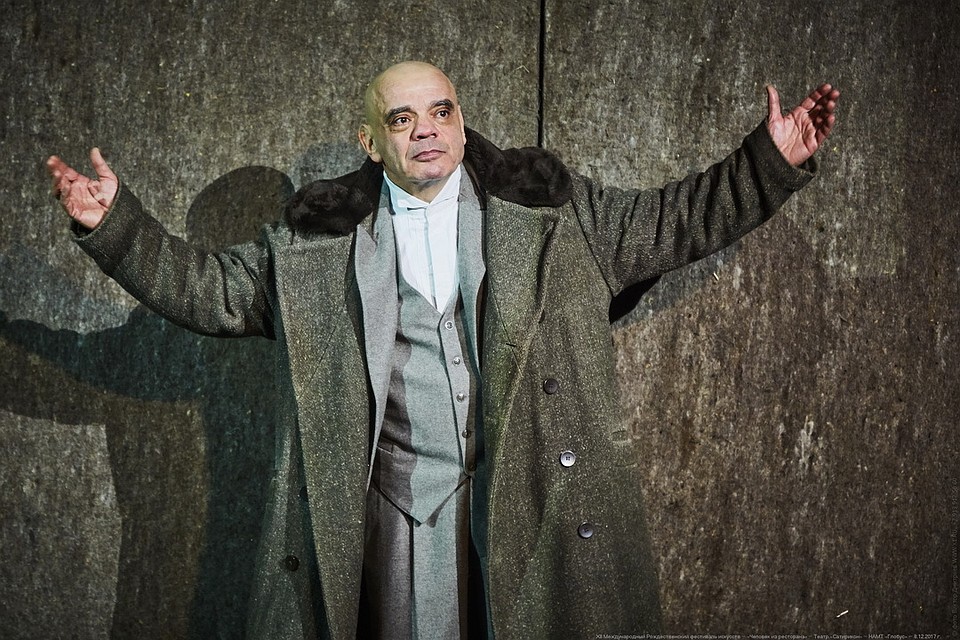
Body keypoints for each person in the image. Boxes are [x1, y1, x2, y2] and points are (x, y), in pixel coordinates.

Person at [46, 61, 839, 639]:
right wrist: (115, 227)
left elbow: (680, 220)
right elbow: (209, 290)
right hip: (395, 515)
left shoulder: (561, 216)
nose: (426, 128)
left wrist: (768, 162)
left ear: (461, 123)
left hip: (529, 501)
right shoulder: (311, 250)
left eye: (440, 111)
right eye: (402, 118)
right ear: (370, 141)